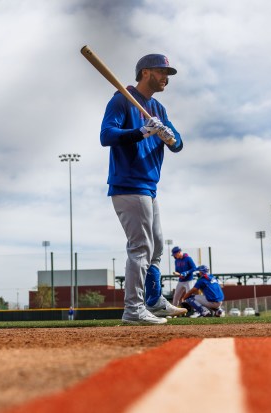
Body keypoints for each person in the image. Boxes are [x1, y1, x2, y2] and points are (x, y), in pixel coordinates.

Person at [100, 52, 186, 325]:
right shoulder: (121, 99)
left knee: (157, 246)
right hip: (128, 183)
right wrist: (141, 132)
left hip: (149, 187)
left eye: (168, 74)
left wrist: (170, 137)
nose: (166, 79)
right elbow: (106, 136)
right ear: (146, 72)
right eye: (162, 73)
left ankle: (154, 301)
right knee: (141, 247)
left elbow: (179, 144)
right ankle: (133, 310)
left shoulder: (158, 109)